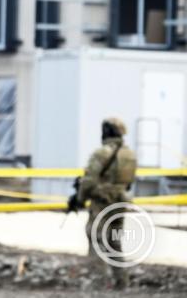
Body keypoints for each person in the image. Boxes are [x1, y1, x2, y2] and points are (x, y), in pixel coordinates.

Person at [68, 117, 137, 289]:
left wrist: (79, 200)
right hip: (120, 203)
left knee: (96, 239)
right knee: (115, 242)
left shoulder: (102, 153)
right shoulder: (130, 155)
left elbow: (89, 181)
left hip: (102, 203)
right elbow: (129, 182)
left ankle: (97, 282)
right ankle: (121, 282)